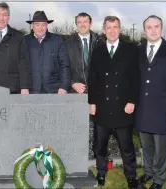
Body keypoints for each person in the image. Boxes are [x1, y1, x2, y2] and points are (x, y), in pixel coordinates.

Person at [88, 16, 140, 189]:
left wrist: (132, 100)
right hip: (102, 107)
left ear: (120, 29)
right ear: (104, 30)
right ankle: (101, 172)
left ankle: (131, 176)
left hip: (123, 107)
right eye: (108, 27)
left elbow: (135, 77)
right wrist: (92, 103)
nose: (112, 30)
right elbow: (92, 78)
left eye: (115, 27)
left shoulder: (131, 49)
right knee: (100, 146)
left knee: (127, 147)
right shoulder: (98, 50)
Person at [135, 15, 166, 189]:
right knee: (146, 145)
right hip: (143, 108)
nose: (153, 30)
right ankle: (148, 172)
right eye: (149, 27)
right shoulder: (138, 50)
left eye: (156, 26)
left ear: (161, 28)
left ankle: (159, 179)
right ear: (144, 30)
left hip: (164, 109)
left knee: (161, 149)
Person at [65, 12, 104, 158]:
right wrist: (73, 83)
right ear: (76, 24)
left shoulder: (101, 42)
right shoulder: (68, 44)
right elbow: (62, 68)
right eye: (79, 22)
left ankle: (97, 153)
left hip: (97, 92)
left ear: (91, 23)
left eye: (85, 21)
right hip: (77, 92)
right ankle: (78, 154)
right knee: (78, 125)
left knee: (98, 126)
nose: (82, 24)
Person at [24, 11, 70, 94]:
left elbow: (64, 64)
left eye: (43, 24)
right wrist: (23, 87)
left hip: (54, 90)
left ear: (47, 25)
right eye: (37, 24)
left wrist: (64, 86)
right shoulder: (24, 41)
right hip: (31, 90)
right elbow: (21, 66)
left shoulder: (57, 40)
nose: (40, 28)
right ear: (32, 26)